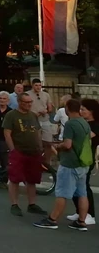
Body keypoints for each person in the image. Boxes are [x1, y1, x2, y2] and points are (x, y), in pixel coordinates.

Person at [33, 98, 92, 231]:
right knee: (82, 193)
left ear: (67, 108)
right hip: (82, 163)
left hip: (70, 163)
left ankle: (52, 219)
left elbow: (68, 144)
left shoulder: (71, 124)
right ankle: (81, 221)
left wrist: (58, 146)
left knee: (62, 193)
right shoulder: (84, 123)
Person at [3, 92, 48, 217]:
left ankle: (32, 204)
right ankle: (14, 204)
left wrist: (40, 148)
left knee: (32, 179)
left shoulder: (33, 115)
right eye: (26, 102)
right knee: (15, 178)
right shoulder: (11, 115)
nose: (29, 104)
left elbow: (38, 132)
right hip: (19, 151)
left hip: (33, 152)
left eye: (30, 102)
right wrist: (13, 149)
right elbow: (7, 133)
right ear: (19, 102)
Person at [71, 98, 98, 225]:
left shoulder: (95, 125)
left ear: (91, 111)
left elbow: (84, 137)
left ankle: (90, 214)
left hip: (87, 158)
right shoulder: (84, 123)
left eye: (83, 109)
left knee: (84, 186)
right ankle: (79, 211)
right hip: (77, 157)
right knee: (75, 186)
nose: (81, 112)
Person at [27, 78, 55, 163]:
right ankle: (35, 162)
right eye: (36, 85)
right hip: (33, 120)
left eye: (39, 85)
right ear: (32, 85)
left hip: (45, 119)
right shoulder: (27, 94)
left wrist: (46, 111)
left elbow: (50, 108)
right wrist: (34, 113)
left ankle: (47, 163)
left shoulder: (46, 95)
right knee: (35, 143)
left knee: (48, 143)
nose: (38, 87)